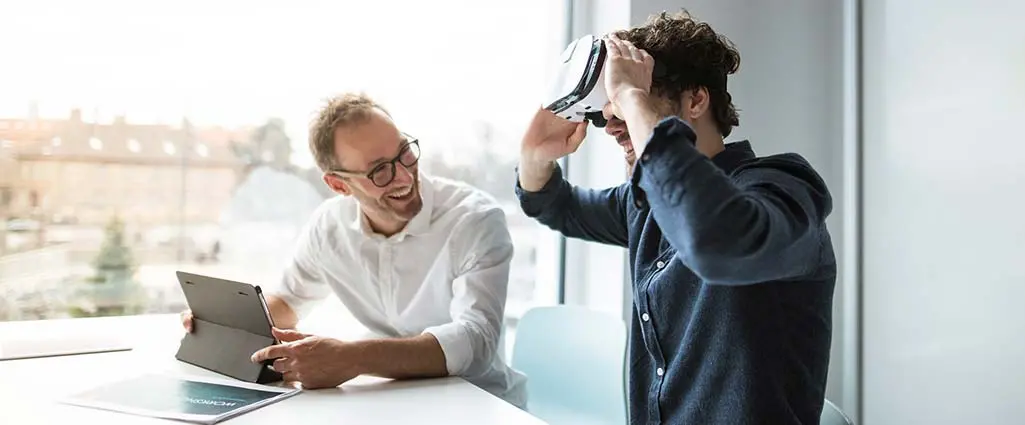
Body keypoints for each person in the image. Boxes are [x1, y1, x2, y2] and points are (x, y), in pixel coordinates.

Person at [515, 10, 836, 425]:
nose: (613, 127)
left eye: (625, 105)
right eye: (607, 114)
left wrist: (632, 98)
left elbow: (718, 241)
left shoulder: (785, 187)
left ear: (696, 100)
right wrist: (533, 155)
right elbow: (556, 205)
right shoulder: (644, 204)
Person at [181, 92, 527, 409]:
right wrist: (225, 319)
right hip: (389, 400)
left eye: (405, 152)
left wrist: (353, 358)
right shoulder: (330, 225)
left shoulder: (475, 219)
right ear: (337, 184)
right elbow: (288, 302)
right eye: (380, 171)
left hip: (477, 403)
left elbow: (476, 341)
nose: (404, 176)